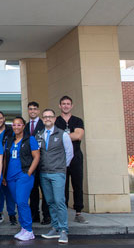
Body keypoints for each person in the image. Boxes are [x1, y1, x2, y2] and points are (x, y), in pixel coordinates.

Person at [38, 109, 73, 244]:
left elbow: (69, 153)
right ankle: (55, 227)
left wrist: (61, 167)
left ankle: (64, 230)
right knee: (50, 202)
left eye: (50, 117)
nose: (47, 119)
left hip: (57, 172)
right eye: (45, 117)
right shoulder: (39, 135)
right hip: (44, 173)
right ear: (42, 119)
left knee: (59, 201)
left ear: (54, 119)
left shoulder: (62, 134)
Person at [3, 117, 40, 241]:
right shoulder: (10, 140)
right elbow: (5, 159)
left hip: (23, 175)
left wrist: (29, 172)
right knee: (18, 202)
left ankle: (29, 230)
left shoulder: (30, 139)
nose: (16, 127)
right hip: (10, 176)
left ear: (24, 126)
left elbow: (36, 157)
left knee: (22, 202)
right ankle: (23, 228)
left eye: (19, 125)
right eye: (14, 125)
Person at [55, 96, 87, 224]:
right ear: (60, 106)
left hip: (76, 157)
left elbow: (78, 135)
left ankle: (78, 212)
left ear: (72, 106)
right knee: (62, 186)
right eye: (63, 104)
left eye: (68, 104)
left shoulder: (78, 120)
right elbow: (53, 137)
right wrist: (70, 136)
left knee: (77, 185)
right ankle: (64, 213)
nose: (66, 106)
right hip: (60, 157)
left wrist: (61, 136)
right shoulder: (56, 121)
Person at [26, 101, 50, 225]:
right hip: (30, 164)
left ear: (38, 111)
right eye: (30, 109)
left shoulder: (44, 125)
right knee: (32, 191)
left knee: (45, 190)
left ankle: (46, 216)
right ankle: (34, 215)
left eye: (35, 109)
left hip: (43, 163)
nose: (33, 111)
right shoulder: (25, 126)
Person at [0, 110, 16, 225]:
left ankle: (12, 215)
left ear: (4, 119)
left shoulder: (11, 131)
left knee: (9, 191)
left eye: (0, 118)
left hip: (9, 163)